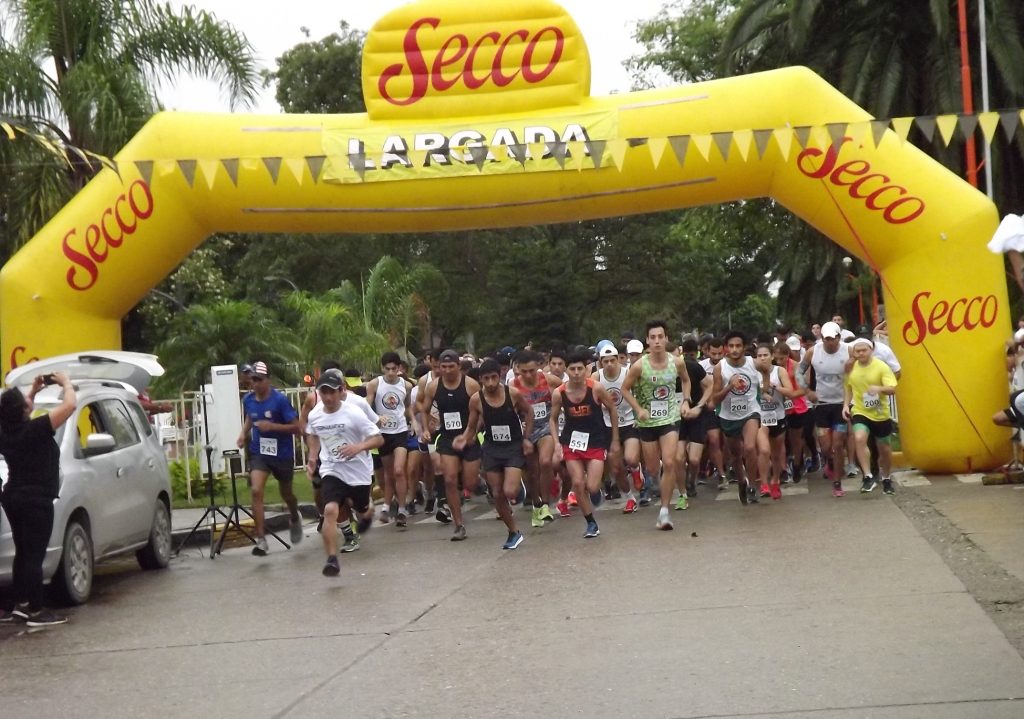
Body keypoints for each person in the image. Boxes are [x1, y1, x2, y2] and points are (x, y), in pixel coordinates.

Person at [0, 373, 76, 627]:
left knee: (22, 552)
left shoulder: (6, 431)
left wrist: (33, 391)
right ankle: (36, 610)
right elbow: (70, 405)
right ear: (23, 410)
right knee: (34, 555)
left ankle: (21, 604)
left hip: (13, 497)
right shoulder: (37, 428)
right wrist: (66, 383)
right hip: (36, 499)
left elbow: (20, 411)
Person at [305, 369, 384, 577]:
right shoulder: (315, 414)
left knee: (361, 508)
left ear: (341, 391)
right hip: (332, 468)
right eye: (324, 392)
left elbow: (378, 438)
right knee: (330, 509)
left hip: (358, 470)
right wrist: (312, 457)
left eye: (332, 392)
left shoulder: (354, 412)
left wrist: (358, 447)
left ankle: (367, 511)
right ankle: (332, 560)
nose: (328, 397)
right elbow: (312, 434)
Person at [455, 358, 533, 550]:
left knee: (509, 491)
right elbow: (472, 426)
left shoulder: (512, 394)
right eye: (486, 379)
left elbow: (529, 412)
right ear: (480, 379)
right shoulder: (476, 400)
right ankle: (513, 532)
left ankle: (518, 486)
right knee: (497, 493)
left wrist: (526, 438)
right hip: (492, 448)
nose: (490, 383)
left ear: (500, 376)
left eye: (493, 378)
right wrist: (464, 438)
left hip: (513, 446)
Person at [621, 320, 691, 530]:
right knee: (653, 468)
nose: (657, 341)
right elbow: (624, 389)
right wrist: (638, 409)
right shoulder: (639, 366)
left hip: (669, 418)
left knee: (670, 462)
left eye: (661, 337)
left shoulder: (676, 362)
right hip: (647, 421)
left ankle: (664, 512)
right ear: (647, 341)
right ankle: (650, 475)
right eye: (653, 337)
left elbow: (686, 380)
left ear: (666, 339)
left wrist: (685, 400)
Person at [550, 351, 619, 539]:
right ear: (566, 370)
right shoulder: (559, 393)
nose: (576, 373)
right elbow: (553, 419)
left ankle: (596, 491)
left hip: (595, 440)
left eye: (580, 368)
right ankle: (591, 523)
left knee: (592, 486)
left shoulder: (595, 388)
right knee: (578, 483)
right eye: (572, 369)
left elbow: (612, 409)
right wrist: (556, 443)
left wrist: (614, 439)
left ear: (586, 369)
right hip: (572, 442)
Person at [237, 361, 302, 555]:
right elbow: (251, 416)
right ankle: (261, 539)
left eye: (259, 380)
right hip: (260, 452)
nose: (255, 384)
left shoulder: (280, 400)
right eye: (253, 379)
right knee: (256, 490)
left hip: (282, 453)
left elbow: (297, 427)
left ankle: (294, 515)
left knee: (287, 494)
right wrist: (243, 433)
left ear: (268, 380)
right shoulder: (248, 399)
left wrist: (273, 426)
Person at [418, 349, 481, 541]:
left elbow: (482, 411)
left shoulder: (470, 385)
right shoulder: (433, 387)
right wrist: (426, 429)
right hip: (447, 438)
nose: (446, 370)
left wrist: (472, 433)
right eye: (443, 367)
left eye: (451, 366)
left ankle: (467, 486)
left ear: (459, 366)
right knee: (450, 480)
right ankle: (458, 524)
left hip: (468, 437)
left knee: (470, 483)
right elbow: (424, 409)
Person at [364, 352, 416, 528]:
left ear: (399, 368)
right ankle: (387, 506)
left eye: (394, 369)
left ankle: (402, 509)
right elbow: (366, 407)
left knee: (399, 470)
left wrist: (414, 421)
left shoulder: (406, 385)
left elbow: (407, 407)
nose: (391, 373)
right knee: (389, 473)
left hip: (400, 431)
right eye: (388, 369)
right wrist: (376, 418)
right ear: (382, 368)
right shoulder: (375, 384)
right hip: (383, 433)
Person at [799, 321, 851, 497]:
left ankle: (837, 483)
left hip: (841, 404)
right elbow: (798, 372)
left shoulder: (848, 350)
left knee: (838, 443)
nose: (830, 342)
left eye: (833, 338)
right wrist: (807, 391)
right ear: (822, 338)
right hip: (821, 404)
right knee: (826, 446)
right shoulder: (813, 351)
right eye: (826, 339)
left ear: (839, 337)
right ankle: (829, 460)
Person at [711, 331, 762, 505]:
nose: (734, 349)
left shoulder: (754, 363)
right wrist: (729, 386)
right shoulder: (720, 368)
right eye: (731, 346)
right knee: (735, 455)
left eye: (738, 346)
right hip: (728, 416)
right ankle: (742, 481)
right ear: (726, 348)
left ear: (744, 347)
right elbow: (715, 399)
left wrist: (766, 386)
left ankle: (753, 486)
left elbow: (768, 370)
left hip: (750, 412)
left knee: (749, 447)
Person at [843, 337, 898, 495]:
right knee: (859, 438)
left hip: (880, 413)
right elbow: (848, 387)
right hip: (860, 410)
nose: (861, 353)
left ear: (871, 350)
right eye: (857, 351)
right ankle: (868, 476)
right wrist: (845, 405)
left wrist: (879, 389)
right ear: (853, 352)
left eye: (864, 350)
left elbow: (892, 389)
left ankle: (886, 477)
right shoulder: (851, 367)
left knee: (884, 449)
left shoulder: (881, 366)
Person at [510, 350, 559, 527]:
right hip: (526, 430)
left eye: (531, 370)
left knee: (545, 461)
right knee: (532, 470)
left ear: (538, 367)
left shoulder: (549, 380)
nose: (528, 375)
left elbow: (567, 392)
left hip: (546, 426)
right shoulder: (513, 386)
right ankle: (536, 504)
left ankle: (545, 504)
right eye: (524, 371)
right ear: (518, 370)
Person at [593, 344, 643, 513]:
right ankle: (629, 498)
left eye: (612, 360)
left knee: (631, 458)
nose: (609, 364)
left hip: (629, 421)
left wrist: (639, 413)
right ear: (600, 362)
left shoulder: (627, 373)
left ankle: (636, 469)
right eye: (605, 361)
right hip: (608, 425)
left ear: (618, 360)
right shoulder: (596, 377)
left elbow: (639, 393)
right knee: (616, 468)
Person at [676, 337, 712, 507]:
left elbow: (710, 385)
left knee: (694, 459)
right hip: (676, 418)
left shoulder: (693, 367)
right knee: (678, 458)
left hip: (697, 415)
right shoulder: (660, 373)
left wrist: (699, 406)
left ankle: (692, 479)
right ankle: (682, 490)